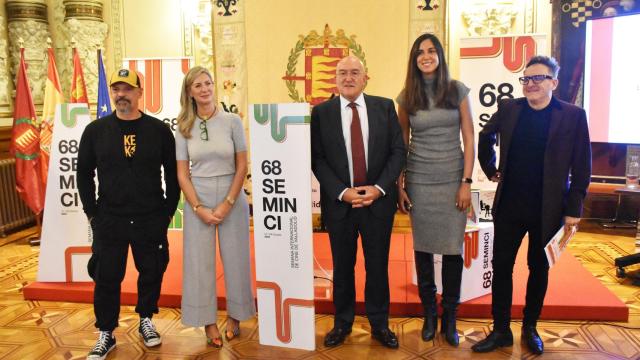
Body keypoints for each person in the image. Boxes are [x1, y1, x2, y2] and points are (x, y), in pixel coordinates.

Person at [472, 56, 591, 355]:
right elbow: (486, 137)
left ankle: (530, 327)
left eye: (538, 78)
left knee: (538, 269)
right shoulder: (510, 109)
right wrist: (491, 169)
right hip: (510, 205)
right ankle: (500, 330)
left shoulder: (573, 116)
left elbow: (582, 165)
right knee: (501, 267)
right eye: (526, 79)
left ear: (554, 82)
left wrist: (574, 208)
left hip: (548, 208)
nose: (531, 84)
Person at [77, 69, 180, 360]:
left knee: (152, 270)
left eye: (127, 89)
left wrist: (166, 214)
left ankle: (146, 318)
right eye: (116, 89)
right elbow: (83, 174)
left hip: (150, 217)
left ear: (139, 92)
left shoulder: (159, 131)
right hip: (110, 219)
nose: (121, 95)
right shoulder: (95, 131)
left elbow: (173, 176)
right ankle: (106, 332)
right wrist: (92, 215)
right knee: (106, 276)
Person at [311, 55, 406, 349]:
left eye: (355, 72)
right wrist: (342, 192)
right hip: (341, 205)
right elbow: (317, 158)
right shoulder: (321, 112)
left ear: (366, 78)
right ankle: (342, 323)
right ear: (335, 79)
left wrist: (378, 189)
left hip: (378, 204)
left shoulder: (384, 106)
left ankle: (379, 324)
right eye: (342, 73)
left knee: (377, 266)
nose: (348, 78)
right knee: (342, 267)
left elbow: (398, 151)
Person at [396, 33, 474, 347]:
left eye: (431, 51)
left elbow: (469, 137)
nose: (426, 56)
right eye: (420, 53)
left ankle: (450, 317)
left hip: (453, 178)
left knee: (453, 248)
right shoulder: (407, 96)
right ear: (414, 60)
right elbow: (401, 143)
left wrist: (466, 182)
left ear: (440, 55)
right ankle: (430, 314)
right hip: (419, 179)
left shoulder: (457, 90)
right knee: (424, 247)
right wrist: (399, 185)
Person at [175, 66, 255, 348]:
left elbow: (242, 164)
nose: (205, 89)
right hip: (198, 197)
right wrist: (198, 207)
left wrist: (228, 202)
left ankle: (235, 317)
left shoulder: (233, 121)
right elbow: (182, 174)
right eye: (198, 85)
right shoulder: (183, 126)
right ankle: (208, 322)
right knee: (199, 265)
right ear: (190, 92)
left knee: (236, 260)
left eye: (208, 83)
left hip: (232, 196)